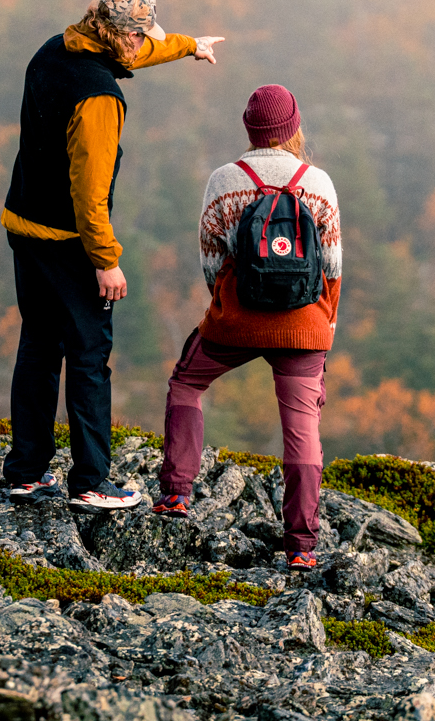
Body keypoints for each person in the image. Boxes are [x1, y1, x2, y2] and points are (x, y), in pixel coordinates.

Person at [0, 0, 224, 510]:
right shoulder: (100, 98)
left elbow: (129, 54)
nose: (145, 45)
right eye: (142, 36)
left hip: (24, 226)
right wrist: (106, 261)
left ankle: (25, 471)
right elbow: (89, 190)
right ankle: (92, 482)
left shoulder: (55, 49)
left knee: (37, 347)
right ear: (121, 35)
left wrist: (188, 45)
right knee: (88, 357)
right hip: (70, 243)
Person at [154, 84, 340, 568]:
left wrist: (230, 305)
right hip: (303, 327)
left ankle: (176, 493)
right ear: (293, 127)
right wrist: (325, 328)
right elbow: (333, 268)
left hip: (235, 322)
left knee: (187, 384)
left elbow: (211, 262)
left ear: (250, 128)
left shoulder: (224, 179)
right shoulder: (317, 182)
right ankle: (301, 547)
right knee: (301, 427)